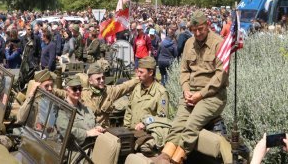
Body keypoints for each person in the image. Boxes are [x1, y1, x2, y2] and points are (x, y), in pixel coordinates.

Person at [155, 10, 228, 164]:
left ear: (207, 25)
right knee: (177, 125)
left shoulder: (219, 44)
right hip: (191, 94)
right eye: (194, 30)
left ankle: (176, 160)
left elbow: (220, 77)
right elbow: (184, 71)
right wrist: (186, 90)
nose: (197, 33)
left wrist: (200, 95)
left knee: (191, 126)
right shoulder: (189, 43)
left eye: (200, 29)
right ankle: (164, 157)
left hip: (212, 96)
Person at [124, 56, 170, 156]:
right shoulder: (137, 88)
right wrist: (126, 130)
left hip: (146, 137)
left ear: (151, 73)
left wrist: (145, 123)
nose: (138, 75)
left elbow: (161, 119)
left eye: (141, 72)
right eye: (137, 71)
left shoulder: (161, 93)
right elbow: (129, 109)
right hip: (131, 134)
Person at [81, 63, 139, 127]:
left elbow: (126, 86)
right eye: (98, 79)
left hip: (104, 130)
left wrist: (139, 78)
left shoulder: (109, 91)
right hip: (88, 130)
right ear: (90, 81)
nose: (102, 80)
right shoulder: (82, 94)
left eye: (103, 77)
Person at [57, 75, 105, 146]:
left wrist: (98, 127)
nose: (78, 91)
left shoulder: (86, 109)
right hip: (74, 151)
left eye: (80, 88)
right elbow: (65, 131)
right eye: (74, 89)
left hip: (91, 147)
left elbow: (94, 122)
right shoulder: (62, 110)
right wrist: (87, 133)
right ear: (67, 90)